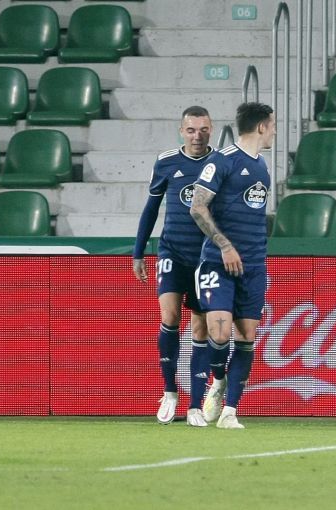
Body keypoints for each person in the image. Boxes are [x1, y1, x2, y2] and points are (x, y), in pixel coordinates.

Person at [190, 102, 276, 429]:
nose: (275, 130)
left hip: (254, 265)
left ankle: (231, 411)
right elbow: (197, 208)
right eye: (273, 125)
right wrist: (224, 245)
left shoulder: (262, 165)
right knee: (220, 331)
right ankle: (218, 378)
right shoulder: (222, 161)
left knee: (247, 336)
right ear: (261, 127)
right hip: (217, 262)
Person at [132, 106, 215, 427]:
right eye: (191, 130)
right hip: (172, 251)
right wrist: (139, 253)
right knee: (169, 316)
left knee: (200, 328)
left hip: (205, 256)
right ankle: (169, 391)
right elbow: (150, 209)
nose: (197, 135)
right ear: (182, 131)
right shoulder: (167, 161)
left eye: (203, 129)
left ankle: (195, 404)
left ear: (212, 130)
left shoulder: (219, 163)